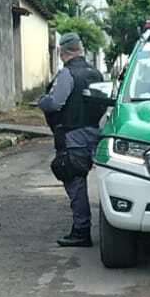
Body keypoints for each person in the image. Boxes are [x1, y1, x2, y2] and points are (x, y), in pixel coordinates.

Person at [37, 33, 105, 248]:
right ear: (81, 50)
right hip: (94, 131)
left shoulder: (67, 74)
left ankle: (81, 231)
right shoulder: (96, 73)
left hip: (72, 134)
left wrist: (42, 102)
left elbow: (55, 103)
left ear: (61, 51)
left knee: (75, 182)